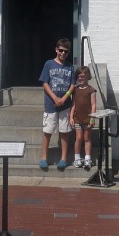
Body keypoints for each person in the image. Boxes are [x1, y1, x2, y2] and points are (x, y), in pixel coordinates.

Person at [38, 37, 75, 171]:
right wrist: (55, 98)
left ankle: (63, 158)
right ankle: (44, 158)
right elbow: (45, 83)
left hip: (65, 105)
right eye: (61, 50)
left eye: (66, 51)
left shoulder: (70, 67)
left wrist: (64, 98)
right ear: (56, 50)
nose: (63, 53)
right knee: (48, 131)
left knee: (64, 132)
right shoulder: (49, 64)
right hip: (51, 105)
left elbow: (72, 85)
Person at [69, 66, 96, 170]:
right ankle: (77, 158)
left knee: (87, 137)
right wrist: (71, 117)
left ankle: (87, 158)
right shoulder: (75, 90)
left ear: (87, 76)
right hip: (77, 118)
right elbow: (73, 104)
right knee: (79, 137)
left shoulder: (91, 90)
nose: (80, 78)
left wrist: (92, 118)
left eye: (82, 76)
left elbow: (93, 105)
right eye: (78, 76)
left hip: (87, 118)